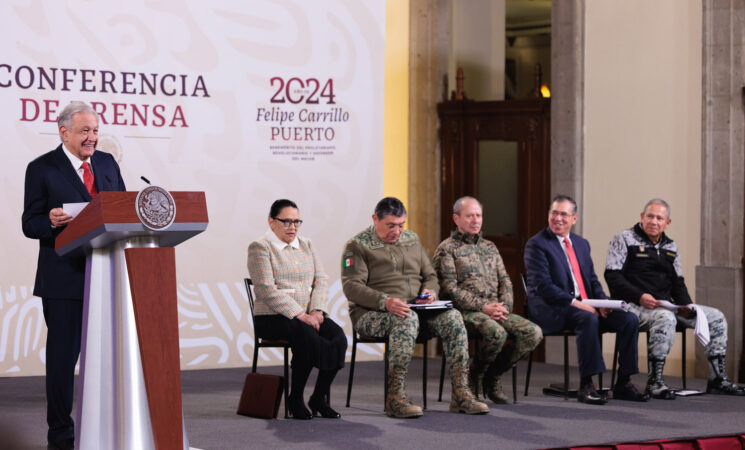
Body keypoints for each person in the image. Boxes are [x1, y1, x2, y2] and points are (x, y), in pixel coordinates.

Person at [22, 101, 126, 450]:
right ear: (63, 131)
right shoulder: (42, 169)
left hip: (107, 275)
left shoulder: (107, 164)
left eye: (95, 130)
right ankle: (61, 435)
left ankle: (109, 426)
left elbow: (123, 209)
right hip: (64, 279)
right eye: (85, 131)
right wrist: (49, 222)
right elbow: (29, 223)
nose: (92, 137)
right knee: (63, 361)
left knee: (109, 358)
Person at [342, 197, 488, 418]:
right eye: (390, 225)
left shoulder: (411, 239)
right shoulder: (357, 245)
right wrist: (385, 301)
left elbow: (429, 275)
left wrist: (430, 292)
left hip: (415, 310)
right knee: (406, 318)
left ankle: (461, 394)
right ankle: (395, 398)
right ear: (375, 219)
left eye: (401, 225)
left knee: (453, 317)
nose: (397, 231)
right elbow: (352, 287)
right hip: (372, 314)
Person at [605, 198, 745, 397]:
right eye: (650, 216)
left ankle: (717, 379)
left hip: (665, 305)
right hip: (631, 304)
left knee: (716, 317)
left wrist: (686, 305)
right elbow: (612, 276)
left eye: (659, 218)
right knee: (665, 318)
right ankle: (655, 381)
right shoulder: (624, 239)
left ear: (667, 223)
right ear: (642, 217)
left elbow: (678, 282)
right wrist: (640, 296)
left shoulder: (671, 246)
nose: (654, 221)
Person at [524, 195, 647, 405]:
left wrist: (603, 303)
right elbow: (542, 286)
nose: (558, 218)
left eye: (564, 214)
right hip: (551, 308)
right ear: (548, 215)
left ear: (574, 218)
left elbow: (591, 280)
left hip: (584, 305)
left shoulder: (581, 244)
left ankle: (623, 382)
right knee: (587, 318)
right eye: (554, 213)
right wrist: (577, 303)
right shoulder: (537, 244)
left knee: (629, 319)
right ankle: (586, 385)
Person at [433, 196, 542, 404]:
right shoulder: (447, 249)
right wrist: (484, 307)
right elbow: (449, 290)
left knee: (533, 333)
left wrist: (504, 307)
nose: (475, 220)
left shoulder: (490, 247)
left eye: (479, 215)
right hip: (463, 313)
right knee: (496, 332)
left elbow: (505, 280)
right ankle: (474, 374)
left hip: (496, 310)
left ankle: (491, 375)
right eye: (469, 216)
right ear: (456, 219)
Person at [247, 199, 347, 420]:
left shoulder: (307, 244)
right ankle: (296, 398)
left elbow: (321, 280)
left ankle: (319, 398)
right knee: (307, 336)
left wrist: (318, 311)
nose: (292, 227)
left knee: (338, 337)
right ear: (272, 222)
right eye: (286, 221)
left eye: (296, 221)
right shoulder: (260, 247)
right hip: (272, 317)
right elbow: (265, 289)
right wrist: (300, 314)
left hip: (308, 315)